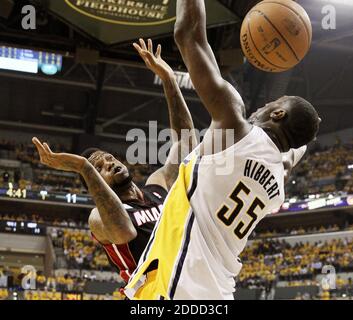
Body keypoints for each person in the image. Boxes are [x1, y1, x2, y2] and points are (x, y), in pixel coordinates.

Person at [124, 0, 321, 300]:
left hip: (179, 282)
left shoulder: (235, 125)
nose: (266, 104)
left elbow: (188, 34)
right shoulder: (278, 179)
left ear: (278, 115)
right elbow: (298, 146)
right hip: (216, 292)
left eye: (274, 103)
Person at [32, 38, 197, 285]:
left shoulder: (157, 186)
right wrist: (84, 167)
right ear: (94, 183)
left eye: (108, 158)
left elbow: (186, 144)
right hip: (154, 293)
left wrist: (169, 80)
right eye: (99, 168)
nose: (108, 163)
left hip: (194, 281)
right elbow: (123, 231)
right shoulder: (98, 218)